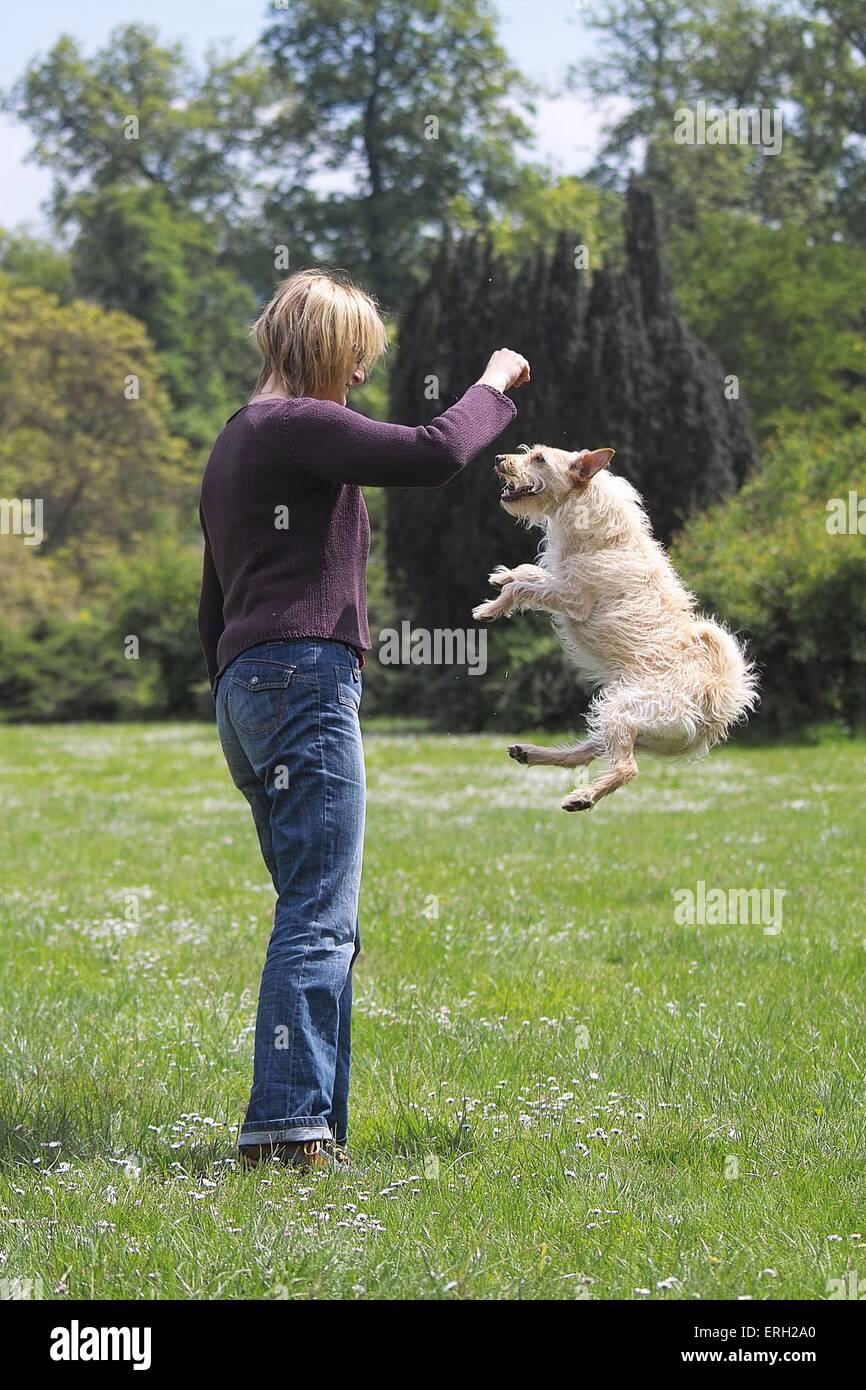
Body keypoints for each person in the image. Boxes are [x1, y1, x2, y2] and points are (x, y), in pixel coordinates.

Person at [197, 267, 530, 1169]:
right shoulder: (297, 422)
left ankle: (313, 1129)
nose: (357, 385)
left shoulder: (236, 439)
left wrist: (235, 690)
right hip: (301, 677)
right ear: (328, 351)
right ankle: (287, 1131)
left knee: (317, 912)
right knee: (318, 916)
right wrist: (494, 384)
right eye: (355, 364)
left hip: (247, 687)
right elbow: (430, 452)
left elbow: (212, 598)